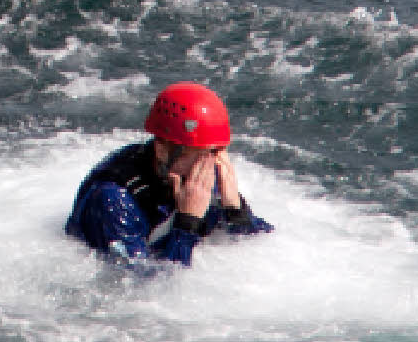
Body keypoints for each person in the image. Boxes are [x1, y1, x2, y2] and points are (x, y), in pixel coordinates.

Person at [65, 82, 275, 266]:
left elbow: (259, 248)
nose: (207, 166)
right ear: (162, 149)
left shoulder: (198, 172)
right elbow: (148, 290)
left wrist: (235, 210)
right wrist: (187, 224)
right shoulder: (114, 200)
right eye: (198, 155)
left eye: (214, 153)